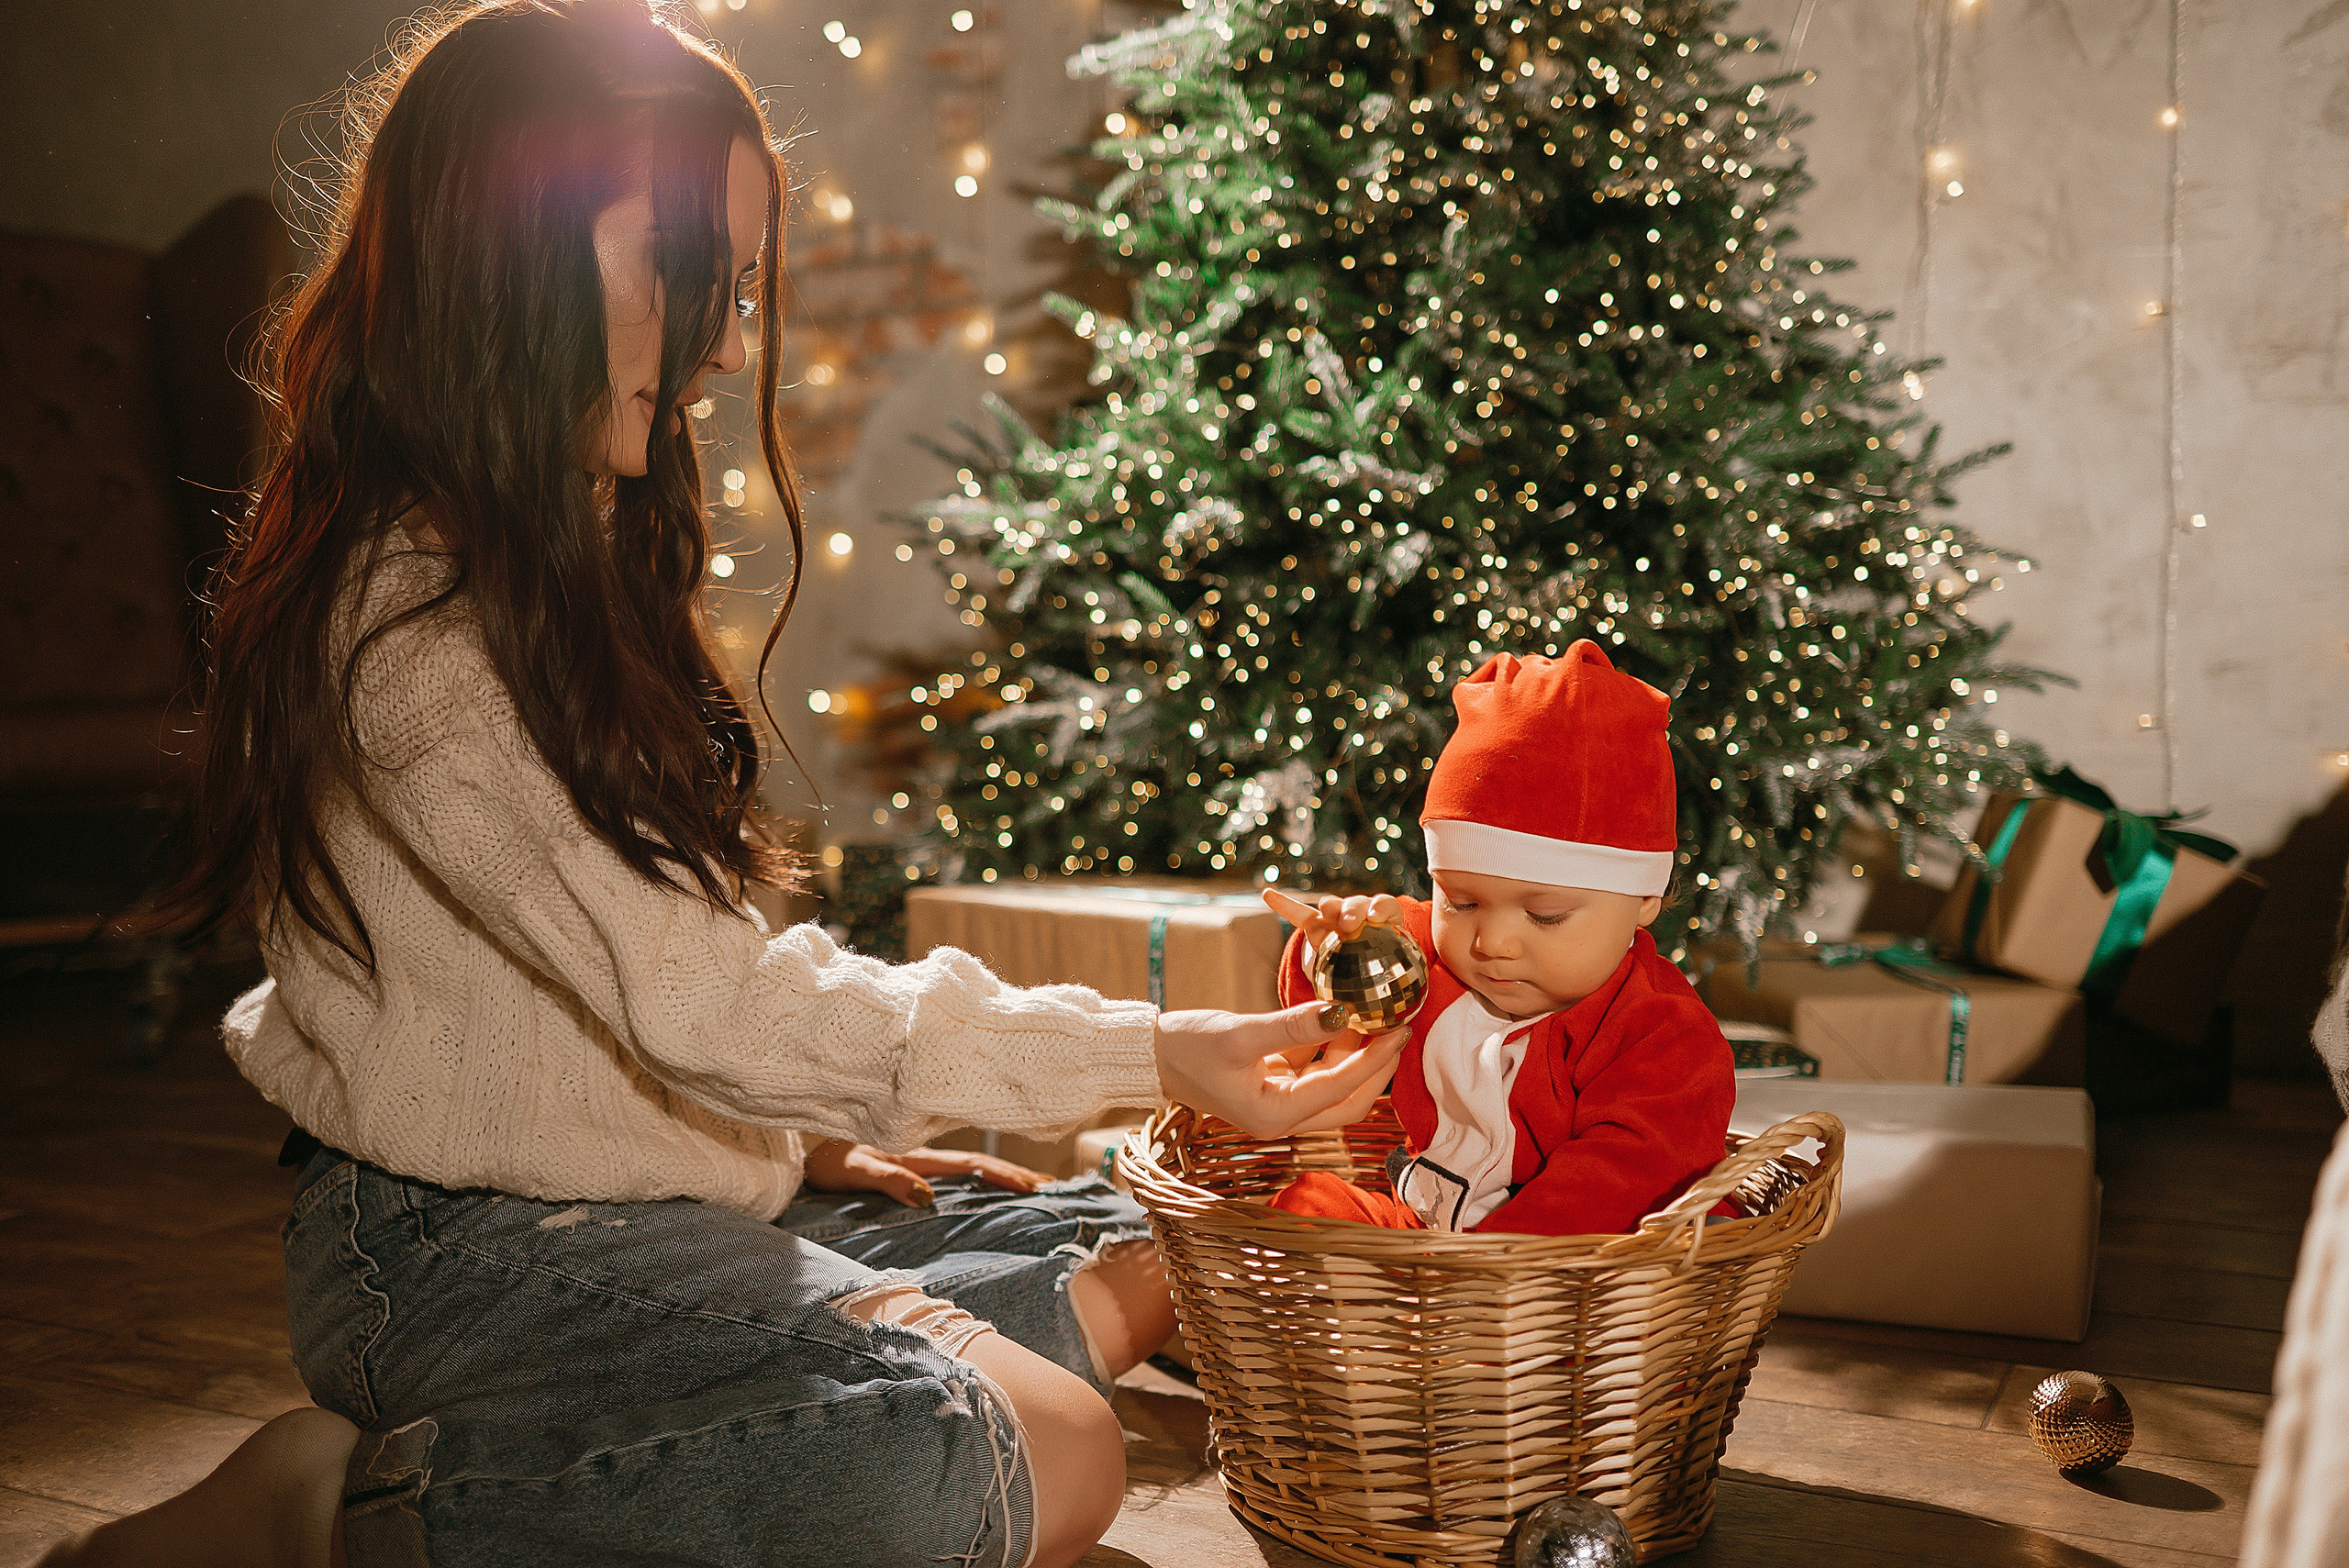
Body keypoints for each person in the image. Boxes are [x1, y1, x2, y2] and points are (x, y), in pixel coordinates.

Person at [37, 6, 1401, 1566]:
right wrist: (1153, 1045)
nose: (730, 345)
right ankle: (345, 1512)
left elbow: (636, 983)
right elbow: (714, 1004)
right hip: (456, 1238)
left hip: (648, 1194)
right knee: (1045, 1445)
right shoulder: (411, 631)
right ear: (506, 248)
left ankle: (834, 1370)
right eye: (684, 268)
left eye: (740, 287)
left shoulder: (559, 553)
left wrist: (790, 1146)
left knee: (1155, 1245)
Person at [1267, 642, 1735, 1235]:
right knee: (1307, 1211)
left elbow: (1622, 1180)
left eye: (1544, 915)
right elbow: (1330, 1002)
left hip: (1571, 1256)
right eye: (1460, 902)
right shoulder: (1423, 959)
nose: (1491, 942)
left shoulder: (1661, 1033)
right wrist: (1336, 946)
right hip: (1429, 1227)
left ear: (1644, 899)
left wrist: (1489, 1270)